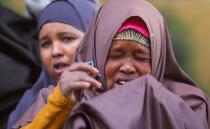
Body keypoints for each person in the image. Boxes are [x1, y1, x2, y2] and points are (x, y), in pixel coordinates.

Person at [14, 0, 210, 129]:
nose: (127, 67)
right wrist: (61, 103)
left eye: (141, 57)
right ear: (97, 54)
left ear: (159, 58)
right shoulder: (64, 99)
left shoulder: (189, 106)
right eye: (115, 56)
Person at [8, 0, 98, 129]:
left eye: (67, 39)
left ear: (93, 38)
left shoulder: (120, 89)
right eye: (46, 44)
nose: (55, 51)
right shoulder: (29, 104)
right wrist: (59, 101)